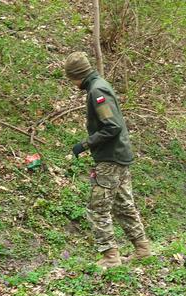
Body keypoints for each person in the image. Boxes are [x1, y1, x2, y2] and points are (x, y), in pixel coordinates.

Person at [64, 51, 150, 269]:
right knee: (124, 205)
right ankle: (142, 249)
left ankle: (111, 257)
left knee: (97, 208)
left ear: (77, 75)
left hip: (110, 159)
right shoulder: (100, 85)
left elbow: (112, 126)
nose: (72, 84)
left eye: (71, 78)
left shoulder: (97, 91)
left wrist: (85, 144)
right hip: (120, 155)